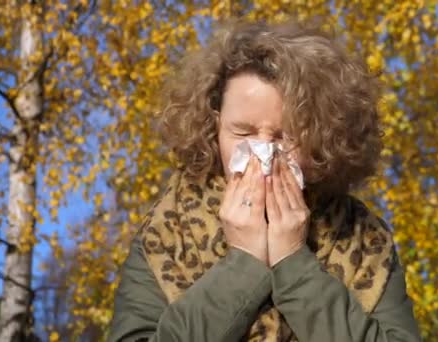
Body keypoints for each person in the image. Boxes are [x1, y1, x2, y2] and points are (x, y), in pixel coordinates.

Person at [108, 18, 421, 342]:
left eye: (285, 137)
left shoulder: (364, 239)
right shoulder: (168, 232)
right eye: (243, 132)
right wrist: (243, 264)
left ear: (322, 139)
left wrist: (294, 263)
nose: (263, 153)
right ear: (214, 129)